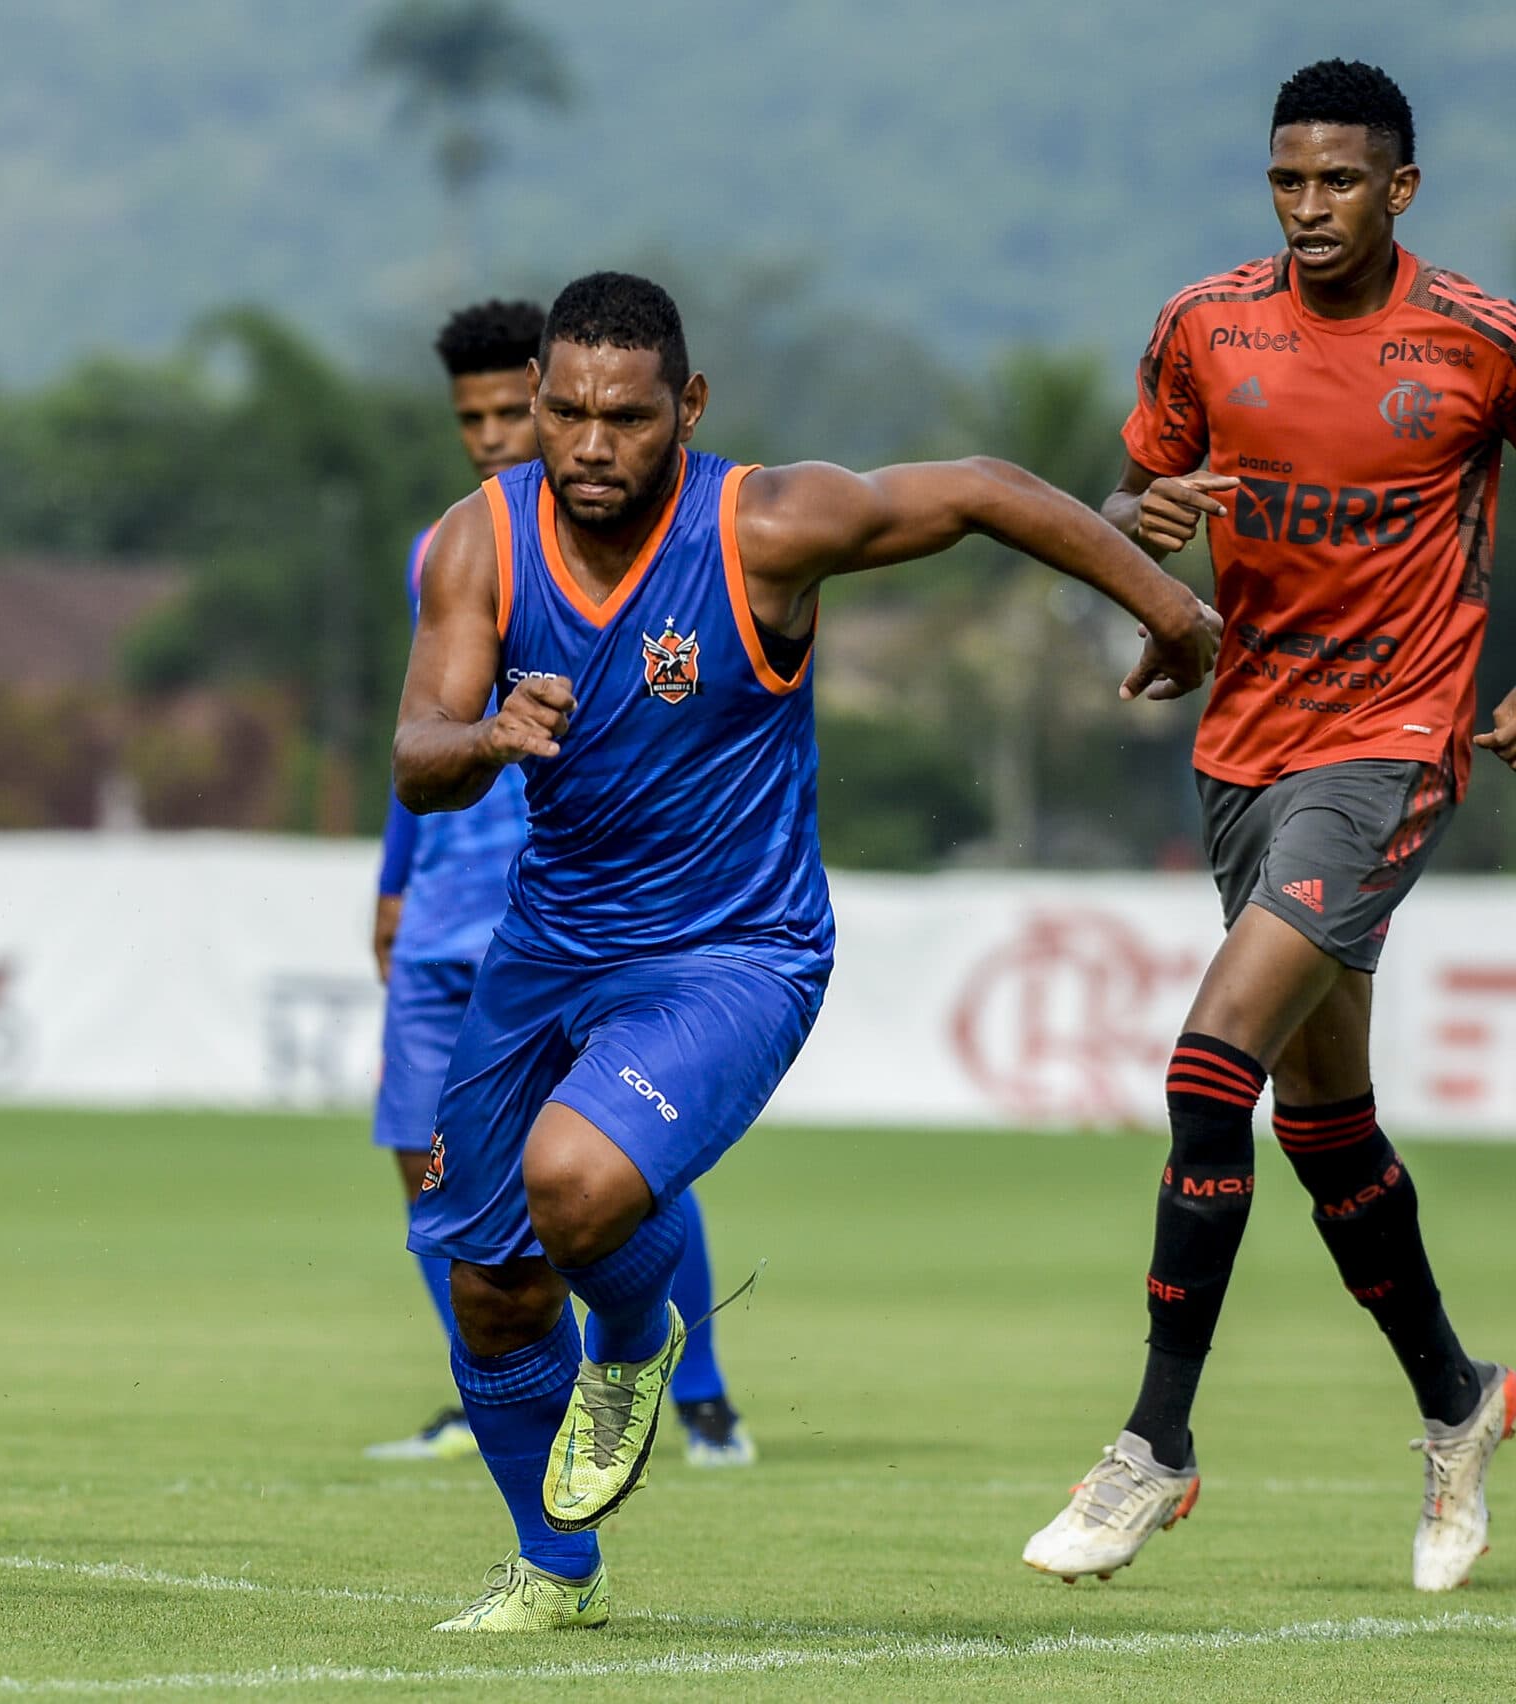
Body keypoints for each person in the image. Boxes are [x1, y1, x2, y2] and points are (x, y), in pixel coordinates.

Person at [393, 270, 1216, 1632]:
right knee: (485, 1285)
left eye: (628, 417)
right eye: (565, 413)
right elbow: (420, 753)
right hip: (549, 945)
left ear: (689, 407)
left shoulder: (763, 526)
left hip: (736, 953)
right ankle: (556, 1570)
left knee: (575, 1185)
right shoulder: (479, 542)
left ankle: (639, 1341)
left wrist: (1166, 607)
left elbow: (983, 488)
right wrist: (483, 739)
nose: (591, 446)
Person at [1024, 60, 1516, 1592]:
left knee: (1205, 1064)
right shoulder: (1204, 325)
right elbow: (1134, 500)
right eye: (1288, 181)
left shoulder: (1482, 341)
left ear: (1402, 190)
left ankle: (1151, 1447)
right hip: (1246, 751)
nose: (1310, 210)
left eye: (1342, 182)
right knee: (1324, 1122)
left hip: (1392, 747)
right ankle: (1462, 1402)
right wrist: (1143, 539)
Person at [367, 298, 750, 1469]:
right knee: (431, 1170)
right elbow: (429, 726)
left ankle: (692, 1388)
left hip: (557, 914)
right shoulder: (455, 544)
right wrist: (393, 878)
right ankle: (489, 1383)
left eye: (502, 411)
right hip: (439, 911)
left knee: (596, 1171)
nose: (490, 435)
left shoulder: (635, 535)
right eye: (474, 415)